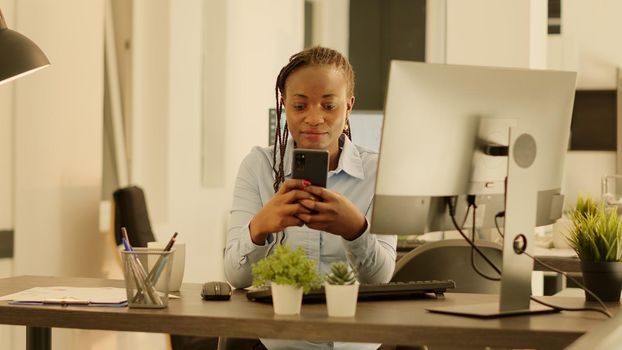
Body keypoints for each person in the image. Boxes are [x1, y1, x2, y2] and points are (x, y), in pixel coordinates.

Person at [224, 46, 397, 350]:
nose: (314, 118)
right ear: (284, 107)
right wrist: (261, 227)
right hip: (277, 343)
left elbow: (380, 279)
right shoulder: (259, 167)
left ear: (348, 107)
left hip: (354, 344)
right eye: (300, 106)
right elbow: (236, 277)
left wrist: (355, 228)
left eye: (329, 106)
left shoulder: (377, 172)